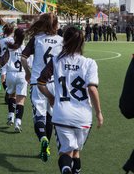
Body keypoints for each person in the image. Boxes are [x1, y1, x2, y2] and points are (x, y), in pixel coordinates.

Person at [37, 26, 103, 174]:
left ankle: (66, 170)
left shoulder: (56, 61)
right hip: (84, 117)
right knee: (76, 151)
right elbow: (92, 89)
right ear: (82, 42)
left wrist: (51, 97)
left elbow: (40, 83)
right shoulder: (89, 63)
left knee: (66, 152)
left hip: (62, 115)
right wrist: (99, 113)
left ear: (64, 40)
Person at [21, 13, 63, 162]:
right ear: (55, 25)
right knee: (50, 116)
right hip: (54, 84)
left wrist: (27, 72)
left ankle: (43, 139)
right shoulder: (61, 40)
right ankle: (48, 145)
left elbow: (23, 57)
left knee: (39, 116)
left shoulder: (37, 39)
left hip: (38, 82)